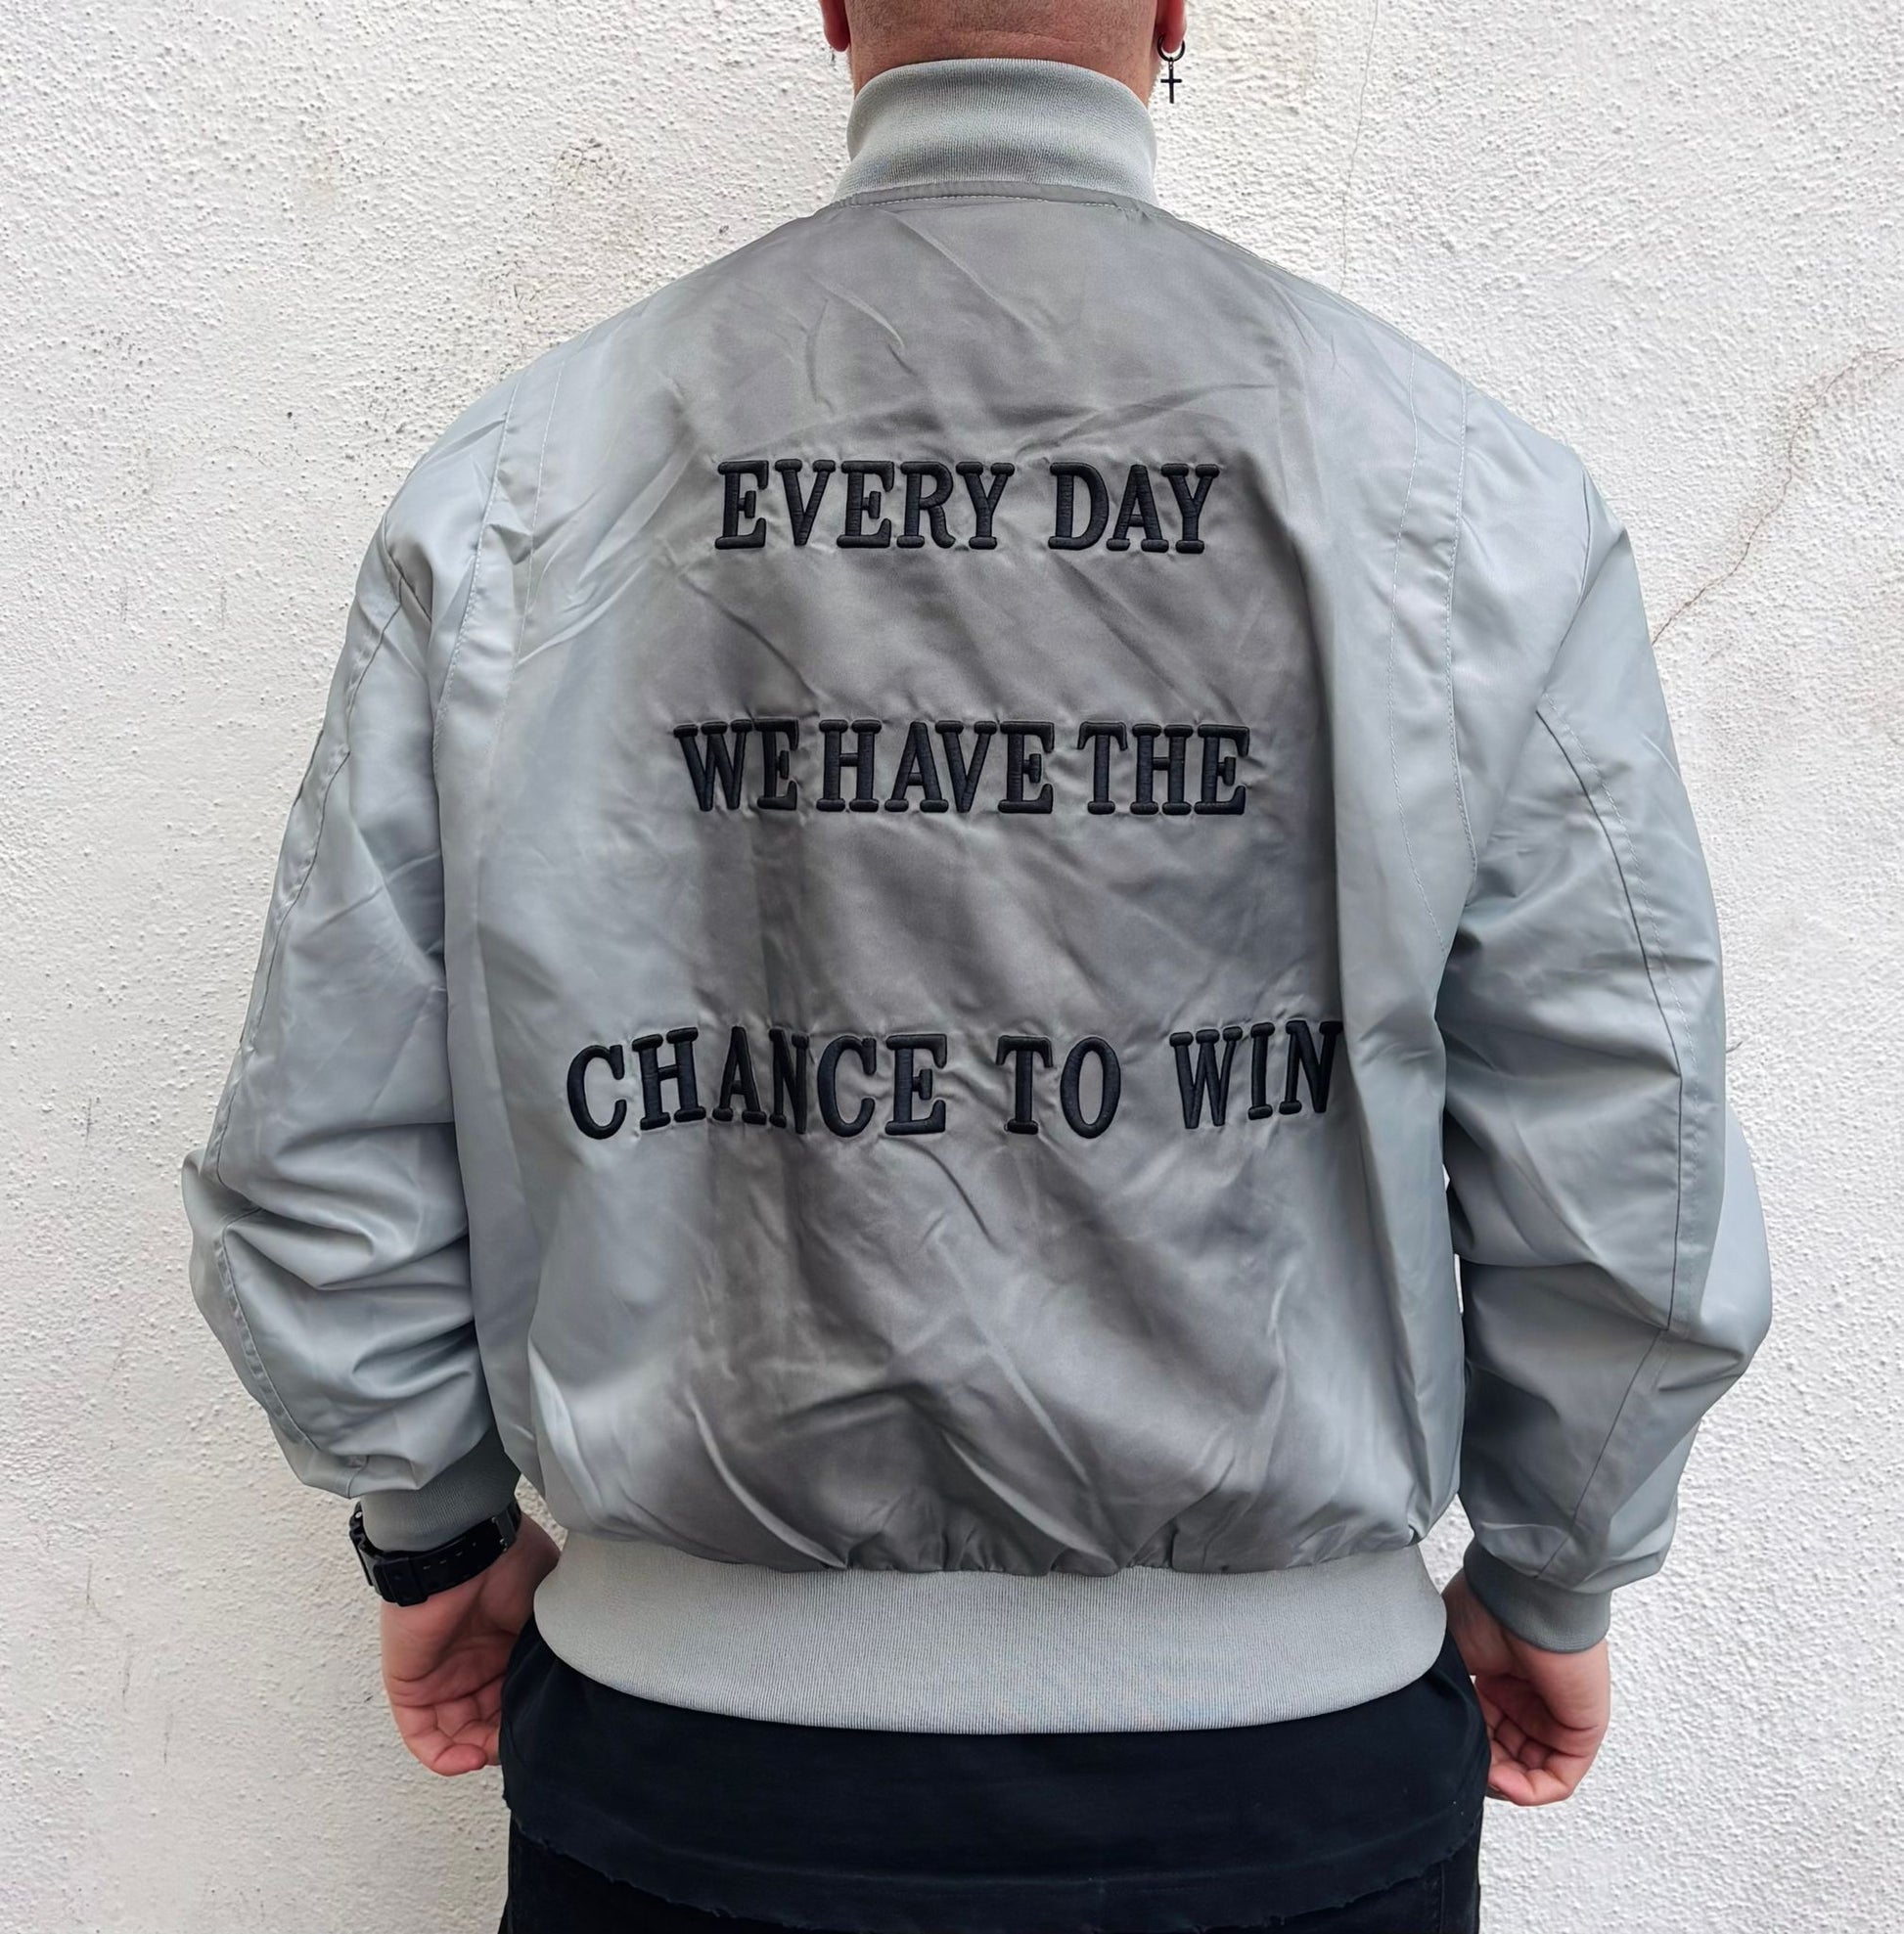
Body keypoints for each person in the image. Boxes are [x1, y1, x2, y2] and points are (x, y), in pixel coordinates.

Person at [182, 3, 1774, 1929]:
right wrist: (1555, 1566)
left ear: (832, 6)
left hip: (695, 1769)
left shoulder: (522, 479)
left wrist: (432, 1525)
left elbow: (325, 1120)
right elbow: (1622, 1130)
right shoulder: (1463, 490)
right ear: (1174, 11)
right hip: (1283, 1778)